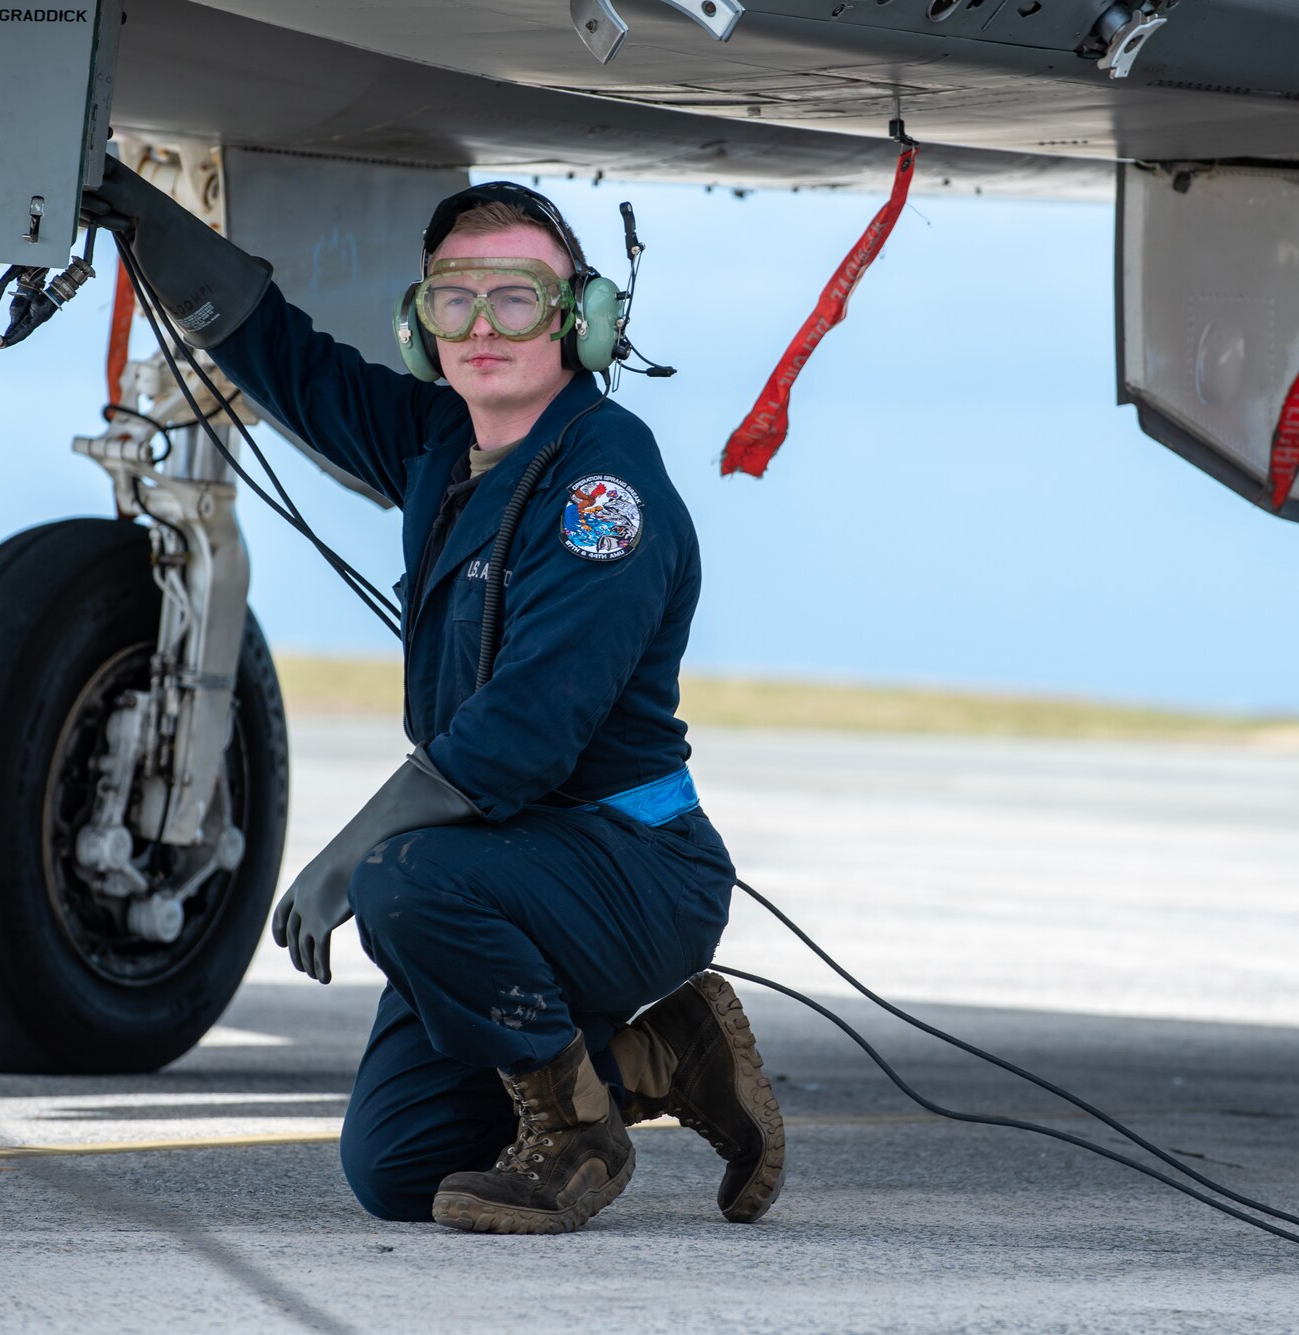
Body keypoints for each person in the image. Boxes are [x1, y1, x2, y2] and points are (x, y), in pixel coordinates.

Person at [81, 160, 786, 1234]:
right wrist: (132, 203)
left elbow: (518, 740)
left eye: (517, 296)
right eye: (452, 298)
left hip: (626, 871)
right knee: (402, 1166)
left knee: (402, 876)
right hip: (495, 871)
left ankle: (577, 1137)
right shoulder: (434, 443)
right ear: (420, 322)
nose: (481, 323)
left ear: (582, 321)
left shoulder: (604, 492)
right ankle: (663, 1051)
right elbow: (281, 354)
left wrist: (341, 862)